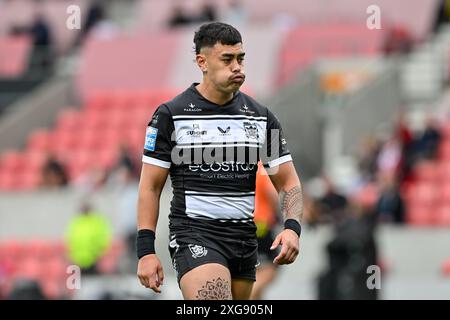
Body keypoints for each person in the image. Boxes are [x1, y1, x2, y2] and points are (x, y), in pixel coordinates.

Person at [136, 22, 303, 300]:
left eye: (240, 58)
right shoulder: (171, 115)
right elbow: (150, 187)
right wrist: (145, 250)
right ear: (202, 62)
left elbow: (288, 181)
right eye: (227, 59)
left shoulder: (262, 117)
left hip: (244, 241)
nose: (237, 67)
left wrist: (292, 228)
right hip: (195, 236)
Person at [250, 163, 281, 300]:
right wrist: (278, 214)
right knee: (271, 268)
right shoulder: (261, 167)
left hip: (239, 225)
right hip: (261, 225)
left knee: (252, 271)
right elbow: (271, 193)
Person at [65, 202, 112, 275]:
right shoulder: (76, 222)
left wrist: (100, 255)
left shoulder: (97, 222)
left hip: (95, 261)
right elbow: (70, 241)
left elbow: (103, 240)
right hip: (78, 261)